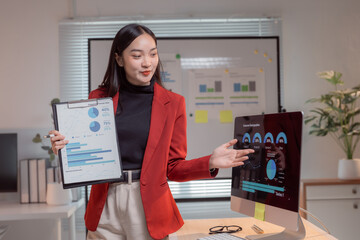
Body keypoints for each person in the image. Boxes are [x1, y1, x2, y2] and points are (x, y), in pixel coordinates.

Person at [50, 23, 254, 240]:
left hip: (147, 205)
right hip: (104, 204)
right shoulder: (99, 98)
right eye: (137, 56)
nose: (147, 63)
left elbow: (173, 168)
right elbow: (89, 153)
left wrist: (210, 162)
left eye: (153, 54)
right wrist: (65, 149)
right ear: (119, 59)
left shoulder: (173, 103)